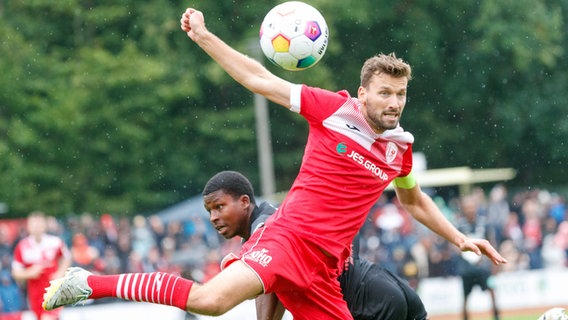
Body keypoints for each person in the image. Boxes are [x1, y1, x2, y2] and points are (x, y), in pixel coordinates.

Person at [42, 7, 507, 320]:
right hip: (287, 239)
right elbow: (258, 78)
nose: (394, 102)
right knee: (210, 301)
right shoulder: (332, 109)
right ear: (363, 92)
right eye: (385, 92)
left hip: (327, 269)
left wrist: (461, 238)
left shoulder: (399, 149)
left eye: (400, 94)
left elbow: (415, 201)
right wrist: (204, 37)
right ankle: (89, 283)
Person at [203, 170, 427, 320]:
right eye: (210, 211)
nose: (213, 217)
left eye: (219, 207)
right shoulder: (267, 226)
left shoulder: (265, 228)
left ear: (244, 202)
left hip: (367, 303)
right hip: (383, 290)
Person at [12, 211, 71, 320]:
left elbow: (66, 257)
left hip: (53, 291)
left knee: (47, 318)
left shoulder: (55, 242)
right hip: (34, 295)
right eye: (34, 225)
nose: (37, 227)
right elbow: (16, 273)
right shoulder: (22, 246)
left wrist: (60, 273)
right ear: (28, 226)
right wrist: (29, 273)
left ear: (44, 225)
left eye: (39, 224)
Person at [456, 195, 500, 320]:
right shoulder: (460, 226)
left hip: (483, 266)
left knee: (492, 292)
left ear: (476, 208)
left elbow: (492, 242)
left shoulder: (484, 224)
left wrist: (493, 264)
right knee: (465, 298)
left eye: (472, 207)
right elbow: (454, 245)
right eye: (467, 208)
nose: (470, 210)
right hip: (466, 268)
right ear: (463, 209)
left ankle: (496, 317)